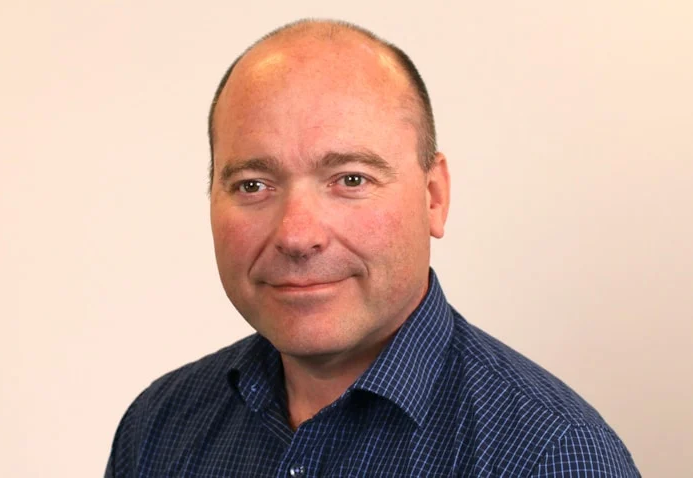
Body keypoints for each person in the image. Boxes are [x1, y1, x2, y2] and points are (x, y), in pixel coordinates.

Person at [105, 19, 640, 477]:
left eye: (351, 179)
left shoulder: (552, 457)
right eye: (252, 185)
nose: (297, 235)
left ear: (433, 197)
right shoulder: (157, 428)